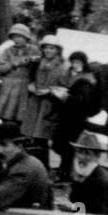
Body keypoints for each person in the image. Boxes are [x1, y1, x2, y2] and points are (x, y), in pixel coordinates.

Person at [52, 51, 100, 184]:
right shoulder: (71, 75)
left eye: (78, 62)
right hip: (66, 116)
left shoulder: (87, 80)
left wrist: (66, 97)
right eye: (73, 62)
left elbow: (83, 102)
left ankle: (66, 175)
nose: (75, 64)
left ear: (84, 63)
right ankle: (64, 172)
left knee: (68, 147)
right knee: (63, 145)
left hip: (76, 118)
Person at [24, 35, 69, 169]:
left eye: (52, 48)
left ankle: (44, 168)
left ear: (58, 50)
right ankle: (33, 166)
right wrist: (31, 85)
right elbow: (30, 78)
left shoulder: (63, 66)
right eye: (46, 48)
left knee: (42, 139)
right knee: (32, 136)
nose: (48, 51)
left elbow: (65, 88)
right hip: (36, 103)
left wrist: (49, 91)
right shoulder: (38, 62)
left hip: (50, 105)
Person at [0, 23, 39, 124]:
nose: (17, 39)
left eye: (20, 37)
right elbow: (1, 68)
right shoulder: (7, 51)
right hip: (9, 84)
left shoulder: (33, 49)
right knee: (3, 111)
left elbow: (39, 64)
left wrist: (33, 61)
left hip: (25, 84)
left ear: (26, 37)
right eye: (14, 37)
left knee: (20, 115)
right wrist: (14, 64)